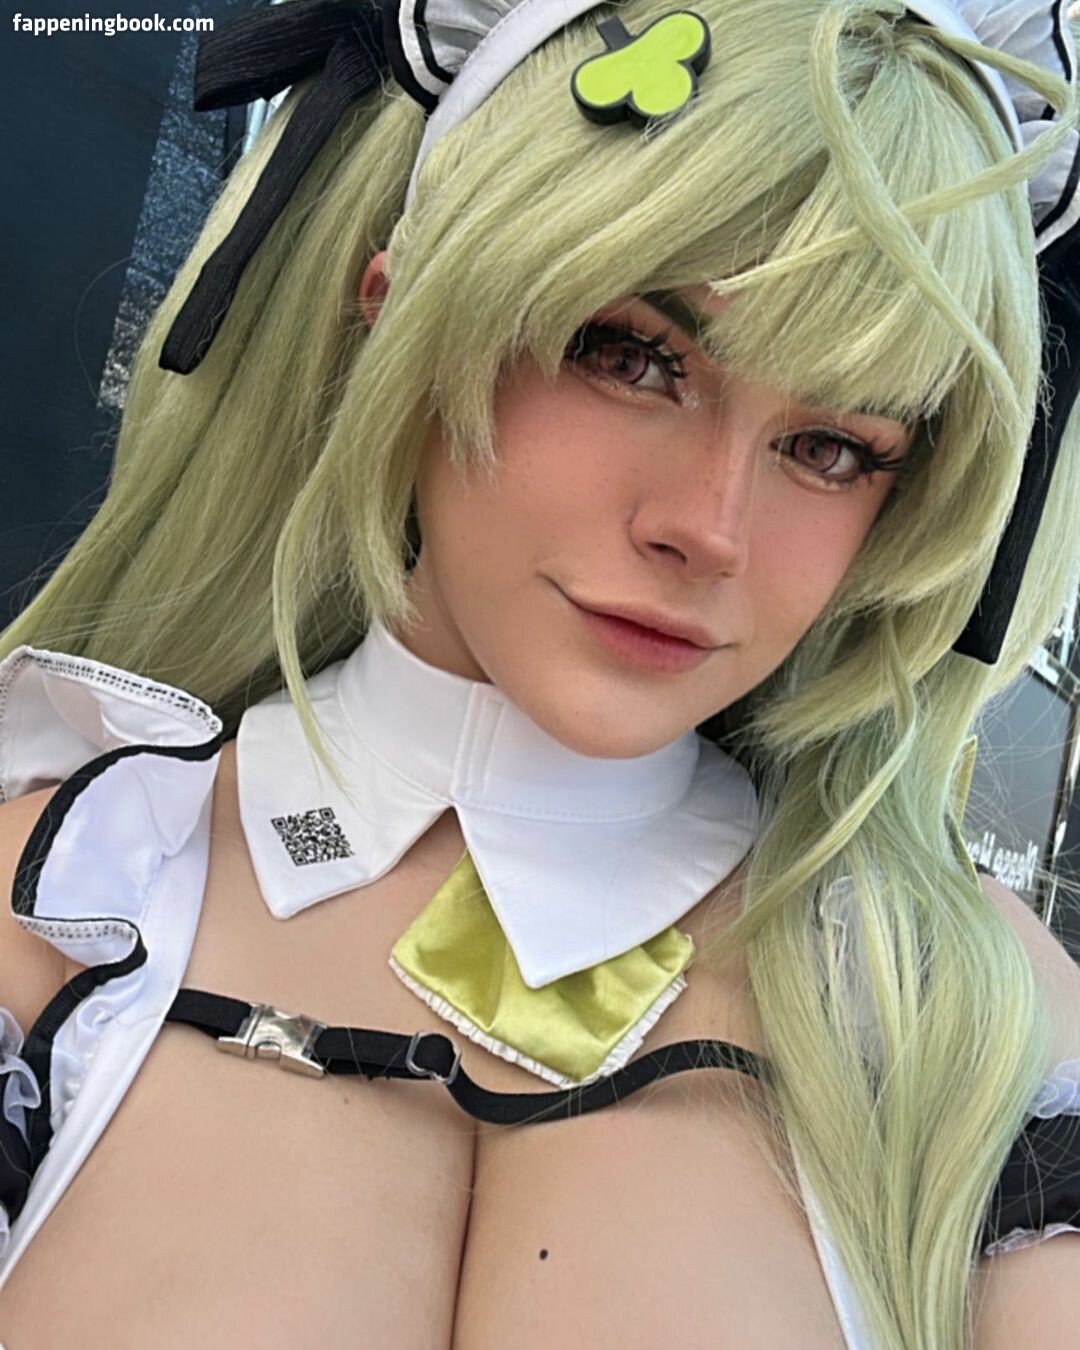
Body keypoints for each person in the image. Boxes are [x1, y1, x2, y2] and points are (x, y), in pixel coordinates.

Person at [0, 0, 1078, 1345]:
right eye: (631, 356)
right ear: (396, 316)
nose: (710, 528)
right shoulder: (57, 900)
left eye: (833, 447)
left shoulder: (970, 1021)